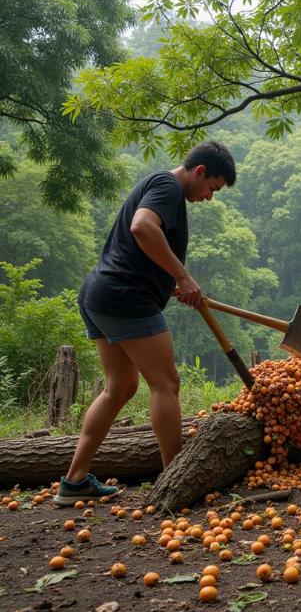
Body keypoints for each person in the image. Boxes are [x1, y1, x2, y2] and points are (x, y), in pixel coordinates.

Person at [53, 141, 236, 506]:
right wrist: (183, 276)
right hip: (124, 297)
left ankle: (73, 482)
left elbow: (139, 253)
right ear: (199, 172)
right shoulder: (168, 187)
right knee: (166, 383)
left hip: (101, 292)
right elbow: (141, 228)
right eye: (211, 188)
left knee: (119, 387)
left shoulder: (159, 186)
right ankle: (175, 481)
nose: (209, 197)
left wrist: (170, 283)